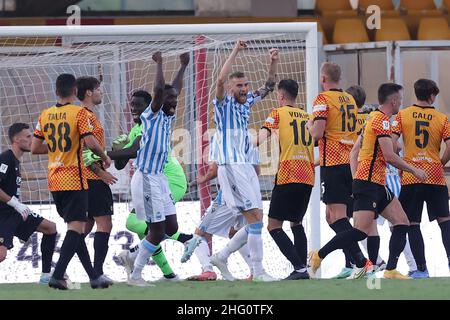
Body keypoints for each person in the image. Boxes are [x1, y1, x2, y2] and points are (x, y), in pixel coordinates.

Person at [309, 83, 427, 280]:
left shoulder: (373, 117)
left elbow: (354, 152)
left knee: (402, 222)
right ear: (393, 101)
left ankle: (389, 270)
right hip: (369, 184)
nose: (401, 103)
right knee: (360, 231)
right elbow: (389, 155)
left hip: (375, 183)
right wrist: (414, 170)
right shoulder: (381, 121)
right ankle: (319, 255)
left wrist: (356, 178)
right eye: (400, 99)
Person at [31, 73, 112, 290]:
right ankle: (58, 275)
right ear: (75, 92)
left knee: (74, 228)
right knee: (76, 229)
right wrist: (105, 157)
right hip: (74, 179)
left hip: (54, 180)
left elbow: (35, 148)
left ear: (56, 91)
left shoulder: (45, 115)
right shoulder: (78, 113)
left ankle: (94, 276)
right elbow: (91, 142)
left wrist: (59, 147)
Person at [209, 40, 279, 282]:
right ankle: (258, 272)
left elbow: (269, 86)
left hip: (246, 165)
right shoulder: (222, 104)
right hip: (231, 166)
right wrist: (236, 51)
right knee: (253, 218)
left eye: (246, 85)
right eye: (239, 85)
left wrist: (273, 61)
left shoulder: (248, 101)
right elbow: (219, 81)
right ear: (230, 88)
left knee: (257, 217)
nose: (245, 89)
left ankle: (223, 255)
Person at [126, 52, 194, 286]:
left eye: (175, 99)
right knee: (155, 231)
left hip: (160, 179)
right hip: (147, 178)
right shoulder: (153, 114)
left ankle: (135, 253)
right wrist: (160, 63)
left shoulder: (167, 116)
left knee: (171, 227)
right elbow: (158, 91)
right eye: (171, 100)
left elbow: (173, 90)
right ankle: (136, 274)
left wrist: (183, 66)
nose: (175, 102)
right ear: (160, 101)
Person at [306, 63, 366, 278]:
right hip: (349, 163)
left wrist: (309, 125)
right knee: (332, 217)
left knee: (337, 217)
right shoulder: (349, 99)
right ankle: (360, 262)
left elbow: (317, 134)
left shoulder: (322, 100)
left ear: (323, 78)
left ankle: (363, 262)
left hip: (334, 163)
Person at [393, 79, 450, 279]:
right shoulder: (442, 118)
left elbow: (392, 144)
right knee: (445, 222)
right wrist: (440, 162)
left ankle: (421, 269)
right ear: (432, 96)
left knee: (412, 224)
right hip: (434, 176)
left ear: (415, 94)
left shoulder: (402, 115)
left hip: (411, 175)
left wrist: (401, 164)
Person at [257, 79, 313, 280]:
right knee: (296, 223)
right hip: (307, 176)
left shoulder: (277, 113)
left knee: (273, 226)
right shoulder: (308, 116)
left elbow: (260, 139)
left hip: (289, 174)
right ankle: (303, 269)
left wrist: (242, 143)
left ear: (280, 96)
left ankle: (299, 267)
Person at [0, 123, 57, 284]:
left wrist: (17, 205)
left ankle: (46, 276)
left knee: (50, 228)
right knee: (1, 255)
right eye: (28, 136)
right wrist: (14, 203)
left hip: (16, 212)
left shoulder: (16, 161)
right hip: (3, 214)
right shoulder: (5, 158)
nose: (32, 139)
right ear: (17, 140)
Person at [76, 76, 117, 285]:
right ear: (89, 93)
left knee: (87, 224)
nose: (102, 92)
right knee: (104, 223)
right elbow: (86, 146)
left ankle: (61, 268)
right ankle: (97, 273)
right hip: (92, 177)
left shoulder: (89, 114)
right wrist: (102, 167)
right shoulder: (84, 115)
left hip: (88, 177)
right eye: (99, 88)